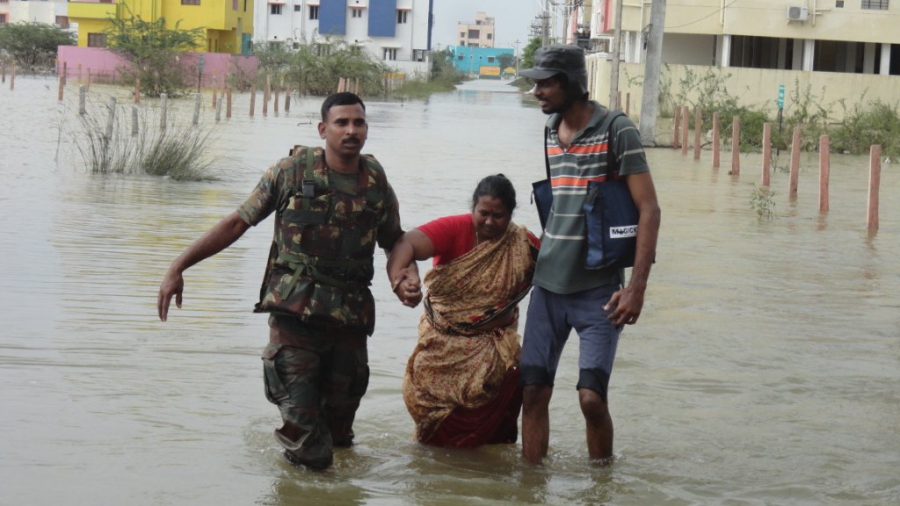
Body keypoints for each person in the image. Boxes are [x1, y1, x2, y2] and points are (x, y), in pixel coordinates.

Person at [157, 92, 421, 470]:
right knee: (309, 445)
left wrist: (404, 279)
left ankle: (335, 491)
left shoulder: (375, 181)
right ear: (323, 129)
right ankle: (301, 485)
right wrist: (178, 266)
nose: (351, 130)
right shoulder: (291, 172)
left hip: (349, 323)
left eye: (358, 123)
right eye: (342, 123)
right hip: (295, 320)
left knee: (340, 436)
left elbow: (396, 241)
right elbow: (237, 222)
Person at [517, 45, 661, 464]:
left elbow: (649, 209)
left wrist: (636, 289)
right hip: (548, 287)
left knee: (591, 399)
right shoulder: (549, 131)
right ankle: (531, 485)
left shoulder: (618, 130)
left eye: (546, 83)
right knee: (533, 392)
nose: (537, 91)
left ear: (572, 85)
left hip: (600, 289)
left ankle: (601, 484)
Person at [386, 175, 540, 448]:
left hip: (493, 350)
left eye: (498, 216)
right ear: (473, 208)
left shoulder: (521, 244)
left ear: (510, 215)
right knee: (429, 424)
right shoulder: (455, 228)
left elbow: (555, 271)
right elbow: (405, 244)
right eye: (483, 213)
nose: (489, 222)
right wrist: (403, 280)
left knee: (490, 439)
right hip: (440, 347)